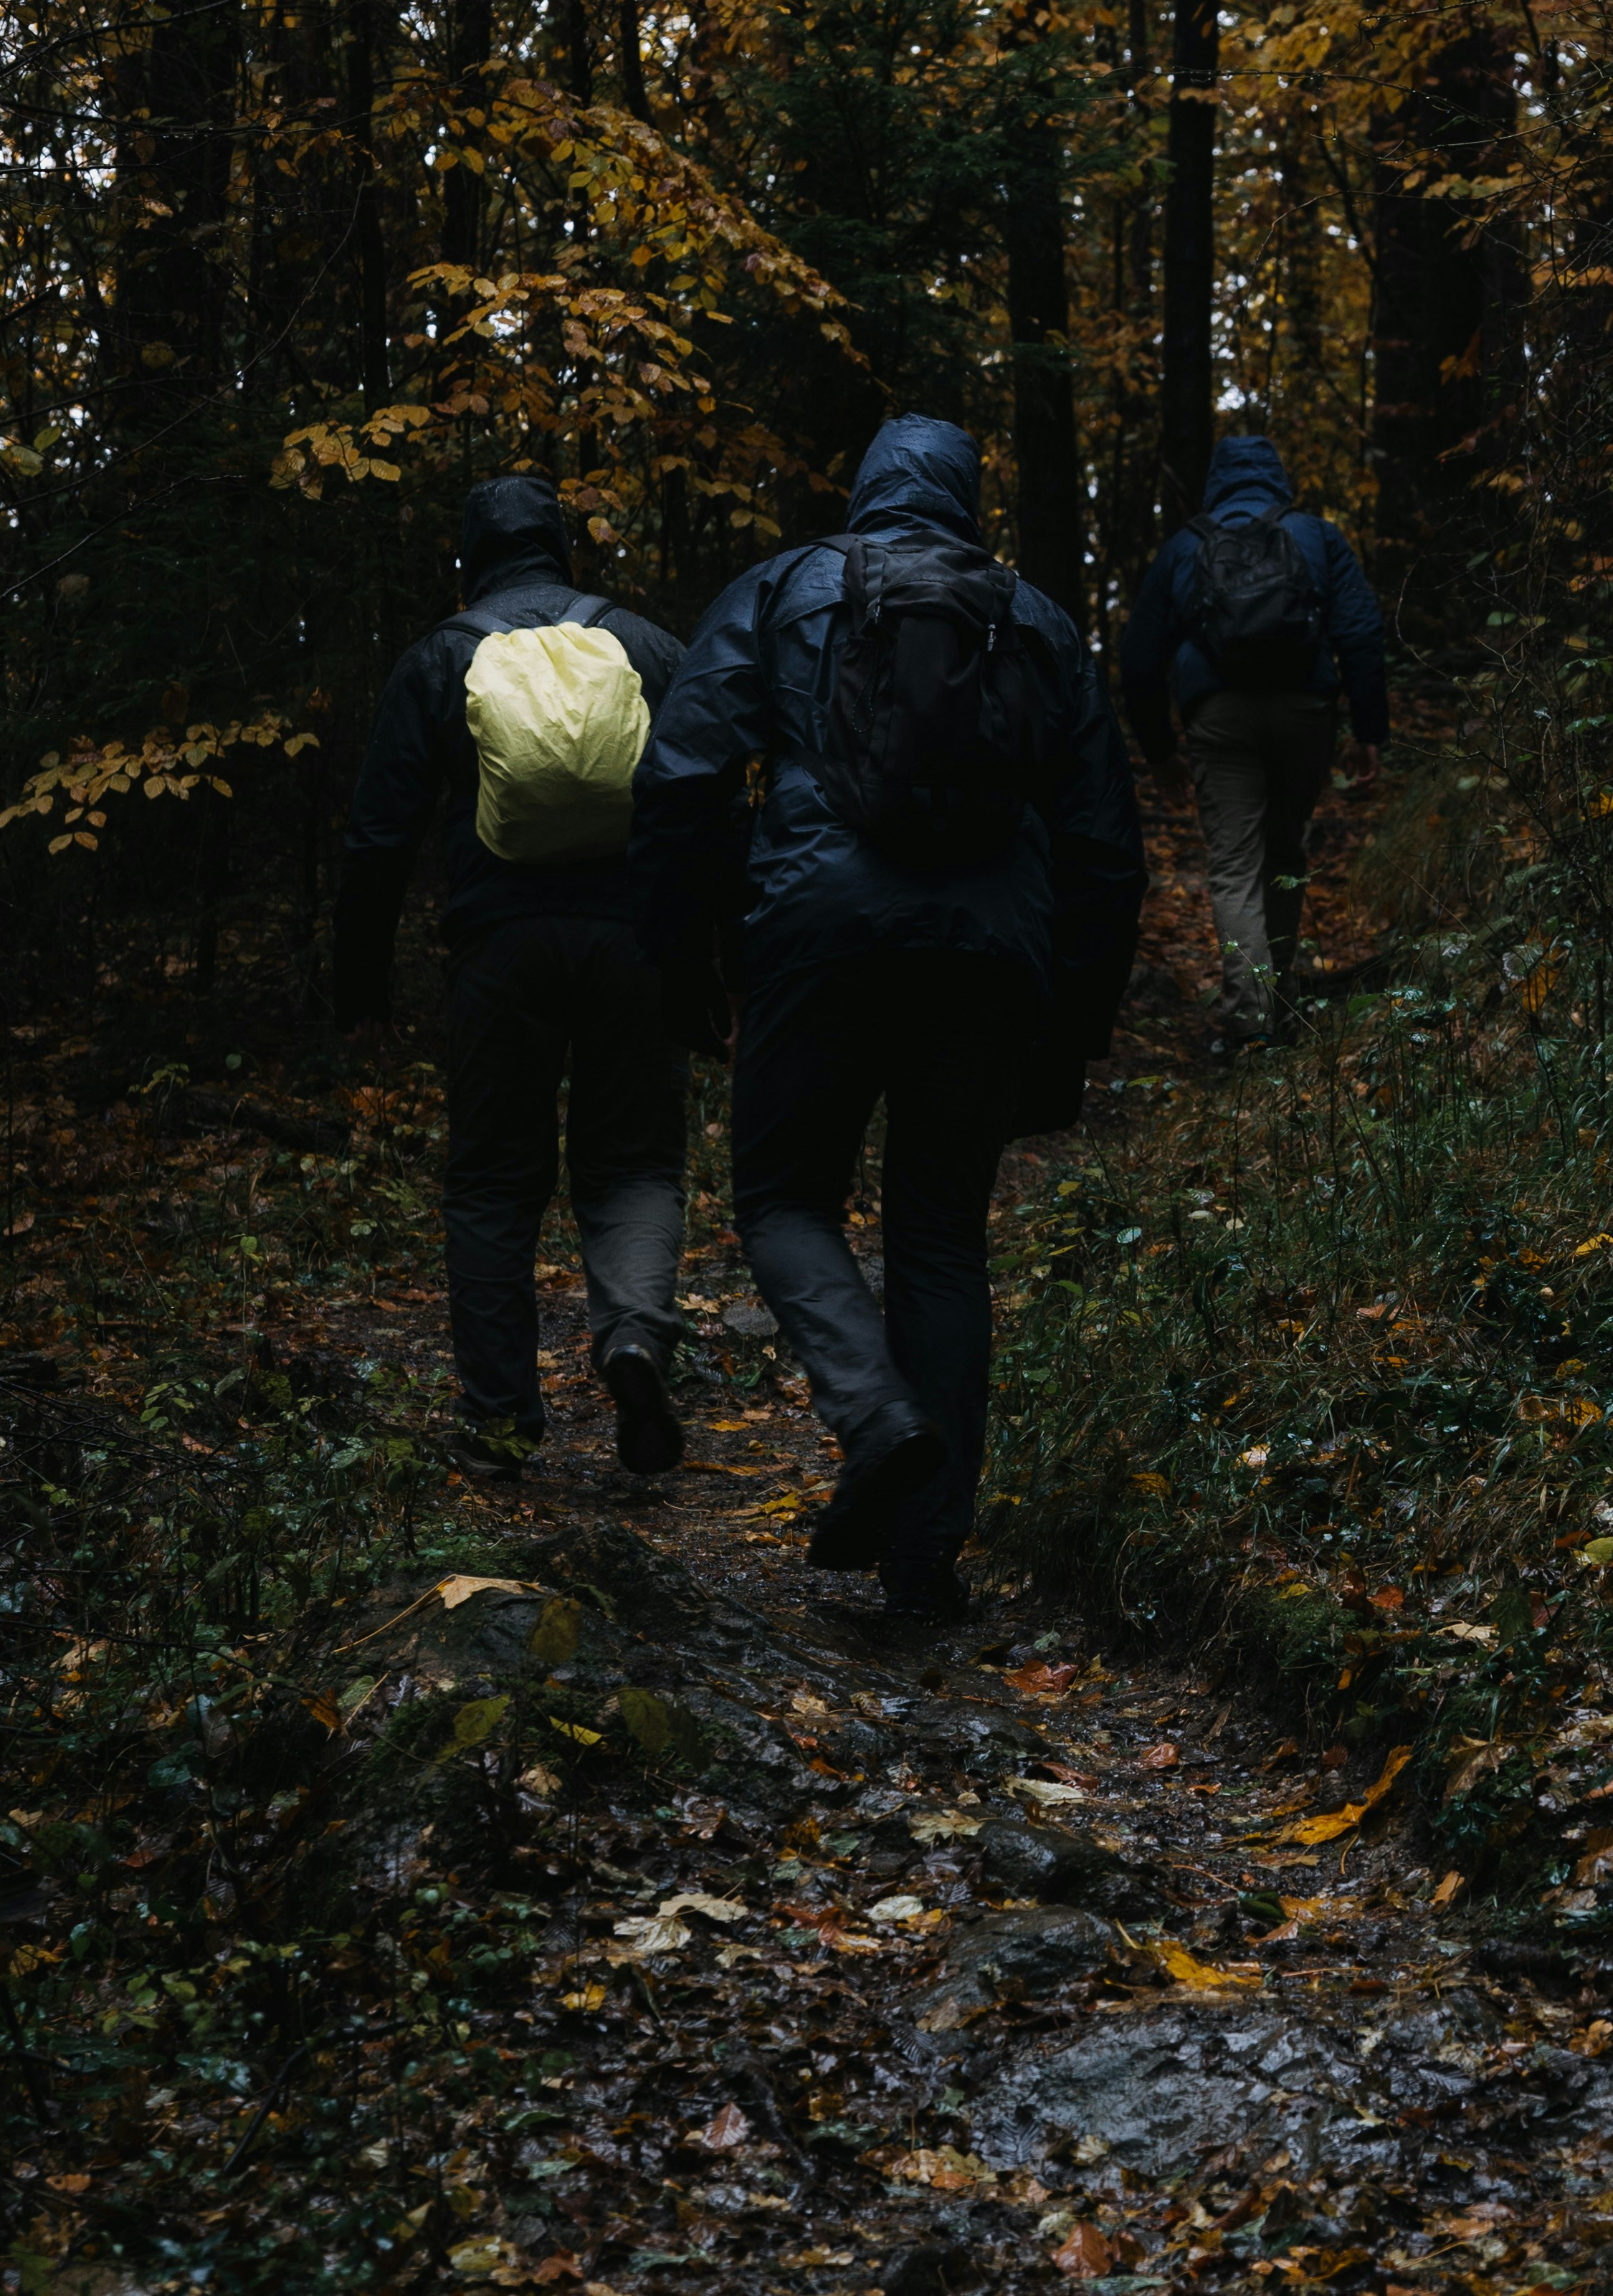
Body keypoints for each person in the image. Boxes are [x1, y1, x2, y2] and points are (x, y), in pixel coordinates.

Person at [628, 414, 1146, 1623]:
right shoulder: (1035, 619)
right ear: (971, 500)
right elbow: (1104, 845)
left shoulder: (783, 590)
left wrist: (689, 961)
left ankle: (872, 1416)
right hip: (990, 950)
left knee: (781, 1194)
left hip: (818, 931)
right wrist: (1073, 1024)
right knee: (939, 1239)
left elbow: (682, 774)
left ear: (863, 490)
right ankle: (924, 1561)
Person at [333, 472, 693, 1482]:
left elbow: (376, 838)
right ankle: (629, 1340)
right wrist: (711, 957)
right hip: (633, 947)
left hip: (497, 952)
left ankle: (499, 1423)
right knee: (633, 1168)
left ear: (469, 562)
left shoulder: (440, 658)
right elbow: (707, 803)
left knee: (493, 1182)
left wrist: (358, 983)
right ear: (565, 554)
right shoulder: (647, 648)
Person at [1120, 434, 1388, 1038]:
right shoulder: (1316, 536)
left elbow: (1138, 659)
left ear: (1216, 480)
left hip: (1219, 717)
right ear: (1277, 476)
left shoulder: (1186, 546)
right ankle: (1284, 1000)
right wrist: (1369, 730)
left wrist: (1160, 750)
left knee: (1236, 864)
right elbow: (1361, 634)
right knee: (1285, 849)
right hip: (1305, 711)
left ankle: (1248, 1016)